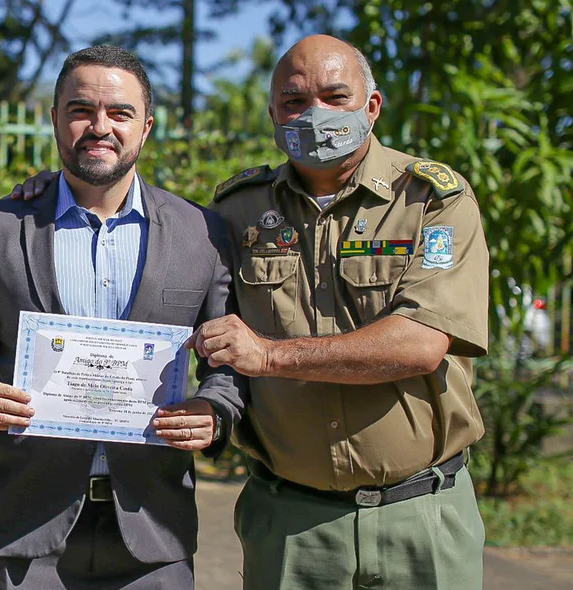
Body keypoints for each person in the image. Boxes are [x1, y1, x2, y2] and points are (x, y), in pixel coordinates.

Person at [0, 45, 245, 589]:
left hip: (155, 534)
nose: (100, 127)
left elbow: (230, 359)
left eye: (119, 113)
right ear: (54, 120)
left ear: (146, 127)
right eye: (80, 111)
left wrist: (216, 409)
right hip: (24, 532)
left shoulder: (203, 234)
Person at [201, 34, 489, 589]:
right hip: (290, 524)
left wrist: (268, 356)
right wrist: (53, 195)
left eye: (335, 97)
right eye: (294, 101)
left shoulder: (432, 200)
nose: (314, 115)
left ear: (372, 106)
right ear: (273, 113)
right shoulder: (237, 212)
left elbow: (421, 342)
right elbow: (159, 257)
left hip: (422, 517)